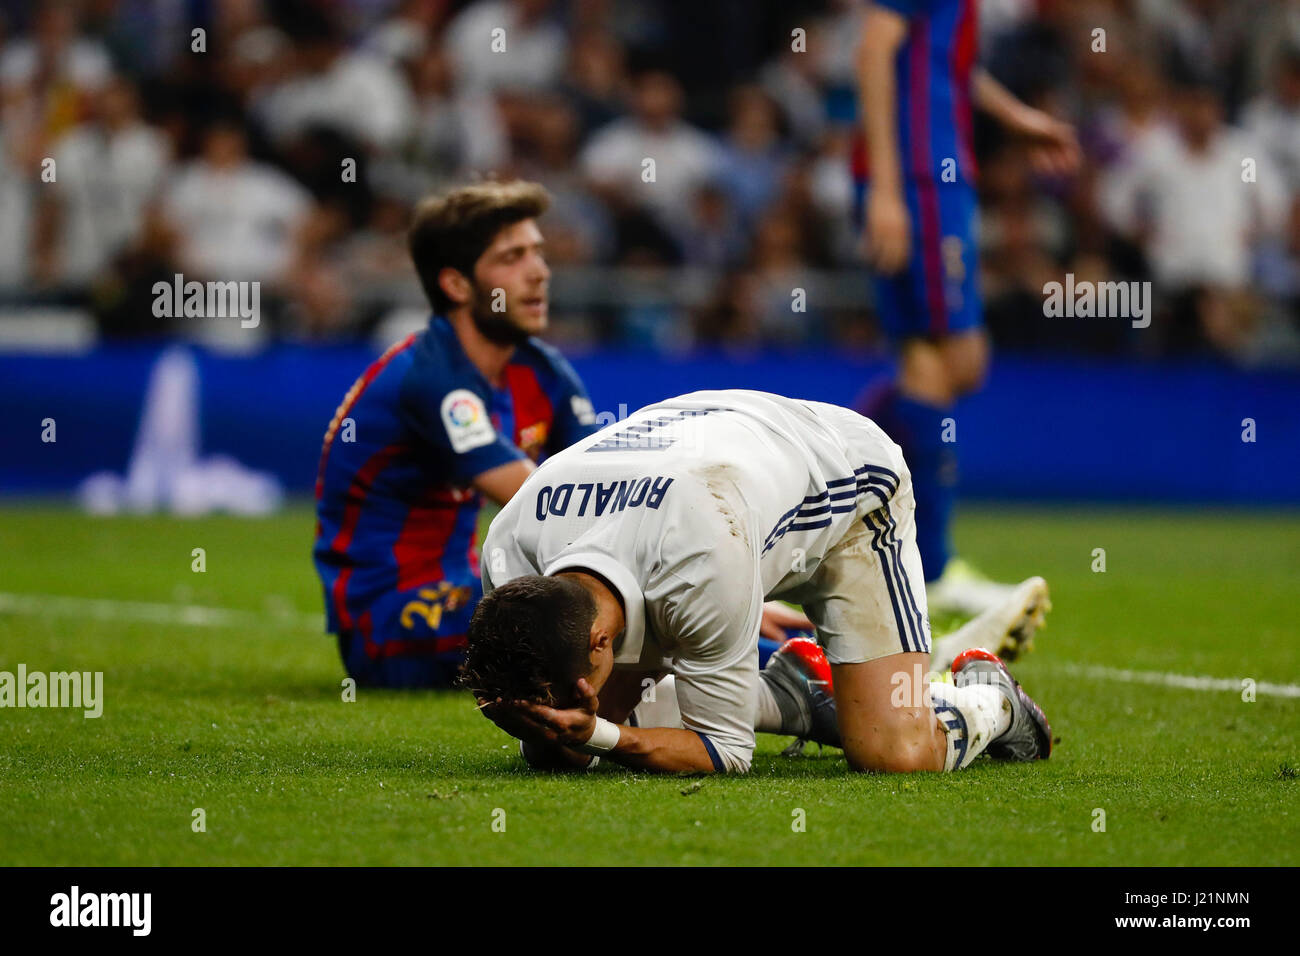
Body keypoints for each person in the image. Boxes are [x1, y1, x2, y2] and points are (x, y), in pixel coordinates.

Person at [464, 389, 1052, 774]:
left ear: (600, 644)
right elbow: (563, 746)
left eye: (570, 690)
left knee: (894, 752)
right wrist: (549, 731)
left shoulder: (698, 564)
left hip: (845, 484)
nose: (570, 705)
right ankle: (793, 689)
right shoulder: (511, 549)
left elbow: (725, 754)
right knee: (608, 728)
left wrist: (605, 735)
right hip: (714, 462)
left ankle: (989, 696)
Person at [312, 180, 598, 688]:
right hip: (389, 619)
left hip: (467, 589)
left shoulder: (543, 372)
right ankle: (774, 670)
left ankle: (774, 657)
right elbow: (538, 504)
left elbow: (605, 491)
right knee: (567, 612)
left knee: (585, 603)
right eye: (512, 257)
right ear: (457, 285)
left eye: (538, 252)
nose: (539, 272)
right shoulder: (429, 379)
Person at [853, 0, 1080, 615]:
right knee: (940, 361)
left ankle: (845, 472)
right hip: (917, 178)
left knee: (955, 363)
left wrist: (1014, 117)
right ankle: (931, 566)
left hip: (939, 176)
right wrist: (887, 187)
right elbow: (875, 49)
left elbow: (941, 61)